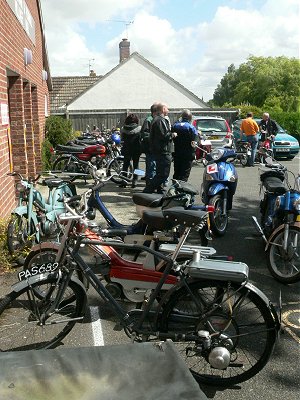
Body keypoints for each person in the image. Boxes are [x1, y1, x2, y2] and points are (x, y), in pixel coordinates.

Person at [144, 103, 176, 193]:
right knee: (163, 174)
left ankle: (158, 190)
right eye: (167, 108)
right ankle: (147, 191)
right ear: (163, 109)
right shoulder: (160, 120)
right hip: (163, 151)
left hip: (160, 151)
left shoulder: (157, 120)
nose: (168, 110)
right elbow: (164, 136)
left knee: (160, 173)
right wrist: (173, 134)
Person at [171, 109, 198, 181]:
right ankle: (181, 189)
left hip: (177, 153)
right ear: (190, 118)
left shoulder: (175, 126)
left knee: (176, 172)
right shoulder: (191, 127)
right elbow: (194, 142)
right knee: (184, 174)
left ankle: (174, 189)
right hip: (187, 154)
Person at [120, 114, 141, 188]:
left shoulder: (123, 129)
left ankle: (124, 181)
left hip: (126, 148)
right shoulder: (139, 128)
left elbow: (122, 138)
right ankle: (135, 181)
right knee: (136, 165)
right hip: (136, 149)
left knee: (125, 165)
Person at [140, 103, 159, 188]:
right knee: (151, 166)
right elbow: (144, 134)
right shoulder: (149, 120)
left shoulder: (156, 119)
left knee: (154, 166)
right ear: (155, 112)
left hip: (155, 148)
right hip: (150, 147)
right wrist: (154, 138)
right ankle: (149, 185)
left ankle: (152, 184)